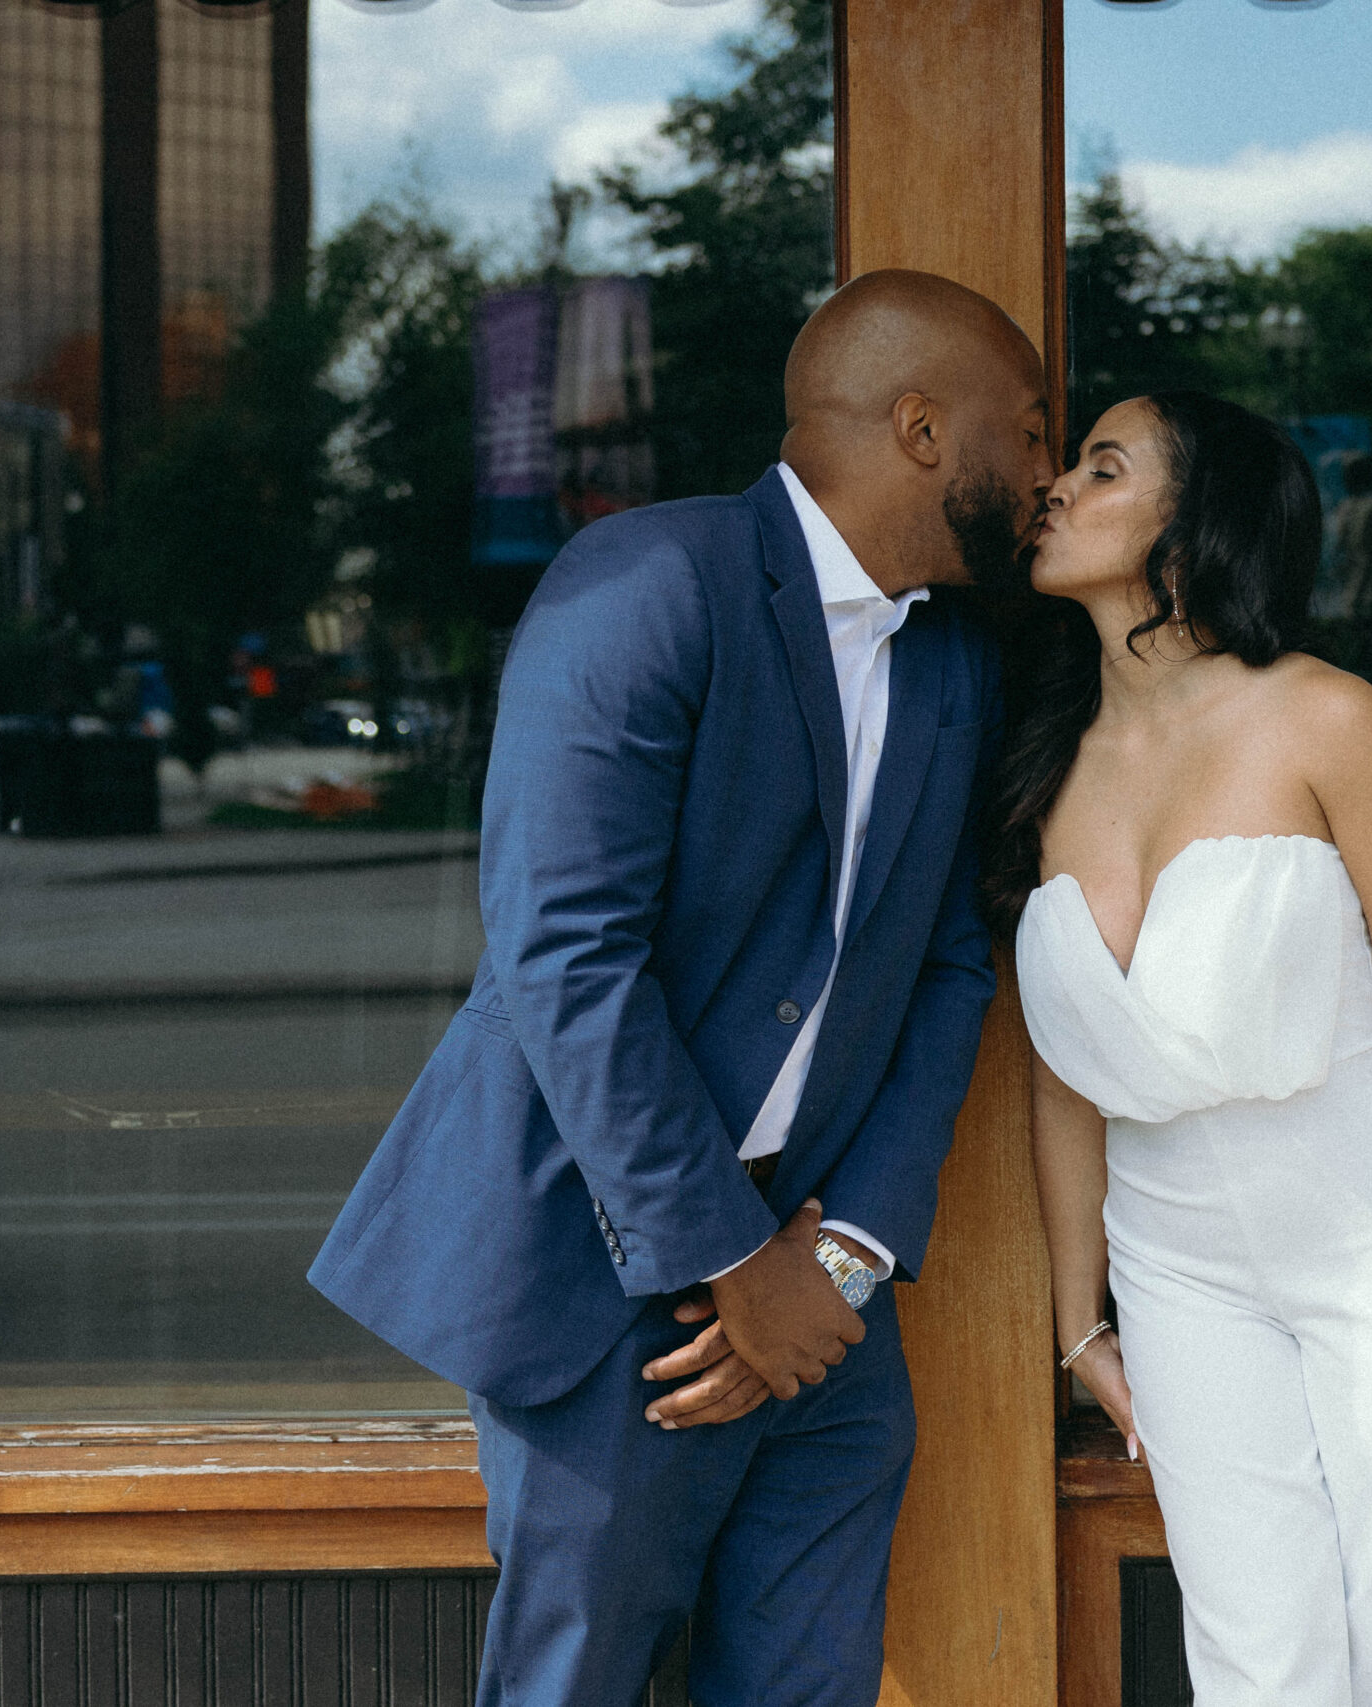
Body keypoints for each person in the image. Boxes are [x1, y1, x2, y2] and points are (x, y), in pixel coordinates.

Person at [309, 269, 1055, 1707]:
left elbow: (955, 964)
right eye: (1025, 432)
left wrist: (841, 1261)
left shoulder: (954, 656)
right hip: (613, 1290)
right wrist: (730, 1263)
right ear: (918, 428)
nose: (1039, 472)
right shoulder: (647, 585)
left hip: (827, 1309)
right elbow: (565, 954)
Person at [993, 391, 1372, 1706]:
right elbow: (1065, 1079)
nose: (1056, 488)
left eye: (1103, 468)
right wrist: (1080, 1319)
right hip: (1178, 1278)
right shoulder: (1047, 764)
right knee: (1252, 1659)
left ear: (1192, 525)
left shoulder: (1326, 719)